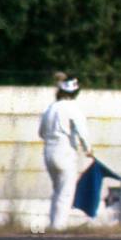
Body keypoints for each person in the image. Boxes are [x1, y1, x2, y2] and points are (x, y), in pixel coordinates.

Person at [38, 77, 93, 230]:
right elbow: (82, 130)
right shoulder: (73, 108)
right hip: (65, 151)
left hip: (48, 152)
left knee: (57, 190)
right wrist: (88, 149)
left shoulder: (50, 108)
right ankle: (58, 226)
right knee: (66, 192)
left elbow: (41, 132)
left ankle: (53, 223)